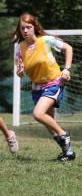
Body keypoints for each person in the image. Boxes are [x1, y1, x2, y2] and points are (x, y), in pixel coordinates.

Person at [10, 13, 75, 161]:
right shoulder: (20, 48)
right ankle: (68, 152)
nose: (25, 31)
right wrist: (20, 72)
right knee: (49, 125)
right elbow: (20, 73)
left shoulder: (45, 40)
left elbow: (68, 48)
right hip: (37, 87)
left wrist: (67, 69)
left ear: (35, 27)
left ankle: (64, 135)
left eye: (28, 27)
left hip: (53, 83)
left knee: (38, 114)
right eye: (22, 28)